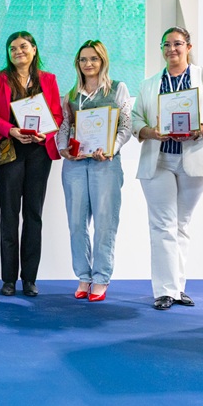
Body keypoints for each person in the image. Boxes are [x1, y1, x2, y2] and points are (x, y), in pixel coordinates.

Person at [132, 27, 203, 310]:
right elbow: (135, 118)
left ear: (188, 46)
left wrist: (201, 128)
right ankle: (165, 290)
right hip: (158, 159)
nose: (171, 49)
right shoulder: (149, 84)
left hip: (193, 158)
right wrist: (150, 131)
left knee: (181, 225)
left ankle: (178, 287)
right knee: (163, 224)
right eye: (166, 44)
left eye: (177, 44)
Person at [57, 40, 131, 302]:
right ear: (77, 63)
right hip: (75, 164)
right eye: (83, 59)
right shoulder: (71, 95)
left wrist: (112, 148)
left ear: (103, 61)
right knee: (76, 223)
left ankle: (101, 277)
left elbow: (125, 126)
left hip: (105, 164)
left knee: (104, 223)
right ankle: (83, 276)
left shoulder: (118, 88)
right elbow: (65, 126)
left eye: (93, 58)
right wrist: (62, 148)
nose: (88, 64)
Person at [0, 31, 62, 297]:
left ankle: (29, 279)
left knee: (33, 215)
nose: (18, 51)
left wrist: (47, 133)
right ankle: (8, 279)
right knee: (9, 214)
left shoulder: (48, 79)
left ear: (34, 49)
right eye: (12, 48)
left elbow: (57, 114)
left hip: (39, 152)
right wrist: (10, 130)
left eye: (23, 46)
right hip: (10, 150)